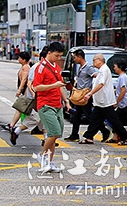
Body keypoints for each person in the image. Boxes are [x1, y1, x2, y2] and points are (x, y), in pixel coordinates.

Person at [32, 41, 71, 173]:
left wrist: (66, 101)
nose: (58, 58)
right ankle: (42, 156)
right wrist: (53, 85)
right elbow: (36, 87)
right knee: (53, 132)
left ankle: (49, 162)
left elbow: (60, 86)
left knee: (55, 135)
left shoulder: (56, 67)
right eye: (56, 55)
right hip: (45, 104)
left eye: (60, 56)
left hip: (57, 104)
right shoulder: (41, 67)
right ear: (49, 53)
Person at [79, 54, 127, 145]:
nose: (93, 62)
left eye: (94, 60)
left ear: (100, 60)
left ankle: (126, 137)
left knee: (114, 120)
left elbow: (101, 84)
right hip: (100, 102)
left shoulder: (104, 70)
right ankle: (89, 137)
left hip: (105, 101)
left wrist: (90, 93)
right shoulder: (101, 70)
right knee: (95, 120)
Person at [64, 49, 110, 142]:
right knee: (76, 116)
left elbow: (97, 76)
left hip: (85, 96)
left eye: (75, 57)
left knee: (89, 116)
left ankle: (104, 131)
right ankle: (74, 135)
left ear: (80, 57)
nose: (74, 59)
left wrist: (91, 90)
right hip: (79, 95)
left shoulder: (88, 67)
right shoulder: (81, 67)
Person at [2, 51, 32, 132]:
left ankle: (13, 126)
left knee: (20, 108)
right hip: (25, 91)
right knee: (20, 109)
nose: (18, 59)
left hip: (26, 92)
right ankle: (13, 125)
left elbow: (24, 79)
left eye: (19, 58)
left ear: (24, 59)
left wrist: (19, 90)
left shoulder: (26, 67)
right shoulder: (24, 66)